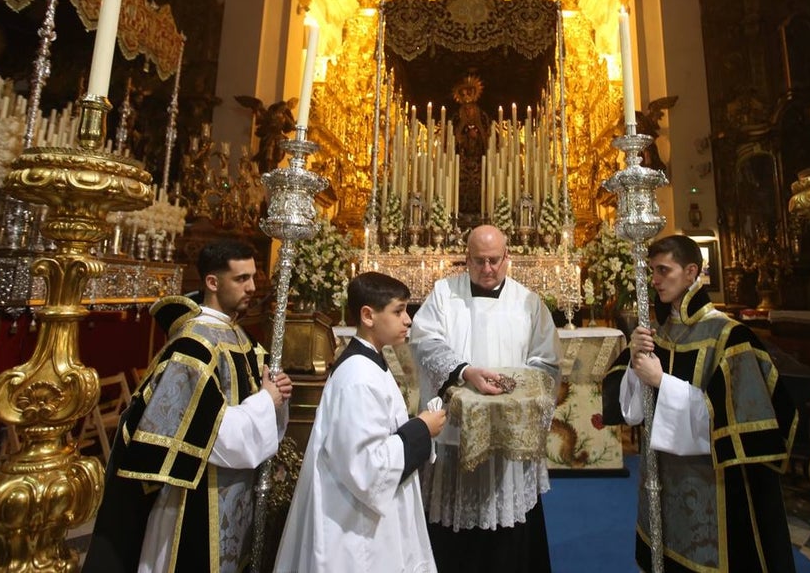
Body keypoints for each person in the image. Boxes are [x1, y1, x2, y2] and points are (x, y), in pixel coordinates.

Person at [83, 240, 293, 573]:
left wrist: (276, 394)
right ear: (212, 283)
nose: (253, 287)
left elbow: (258, 399)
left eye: (253, 277)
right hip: (196, 498)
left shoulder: (238, 336)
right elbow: (211, 435)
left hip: (235, 488)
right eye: (241, 279)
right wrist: (267, 401)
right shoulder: (195, 344)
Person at [602, 234, 797, 573]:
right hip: (661, 476)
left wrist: (662, 381)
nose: (656, 280)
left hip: (712, 485)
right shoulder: (659, 332)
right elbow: (633, 408)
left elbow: (731, 419)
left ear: (691, 272)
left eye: (664, 270)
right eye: (653, 271)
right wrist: (634, 361)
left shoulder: (728, 335)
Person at [409, 224, 561, 573]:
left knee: (510, 536)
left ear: (508, 258)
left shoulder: (528, 302)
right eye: (479, 261)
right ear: (467, 259)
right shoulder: (444, 294)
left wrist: (515, 391)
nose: (488, 269)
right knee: (453, 538)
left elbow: (546, 363)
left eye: (495, 260)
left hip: (509, 438)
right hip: (455, 436)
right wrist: (465, 371)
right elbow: (424, 343)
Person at [273, 272, 447, 572]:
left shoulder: (371, 363)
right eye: (398, 311)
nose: (408, 320)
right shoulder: (358, 377)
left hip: (370, 517)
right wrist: (422, 429)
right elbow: (366, 467)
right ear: (368, 315)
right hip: (354, 528)